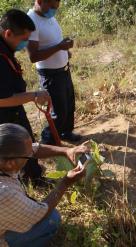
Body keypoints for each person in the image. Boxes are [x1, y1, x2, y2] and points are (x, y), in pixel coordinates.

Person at [0, 123, 89, 247]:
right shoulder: (5, 193)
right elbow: (40, 213)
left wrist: (67, 150)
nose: (32, 155)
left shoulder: (5, 157)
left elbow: (34, 149)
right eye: (28, 156)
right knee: (52, 219)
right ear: (10, 164)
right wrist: (65, 182)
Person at [0, 9, 52, 184]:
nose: (26, 44)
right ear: (8, 33)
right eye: (23, 40)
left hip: (14, 111)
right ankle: (28, 181)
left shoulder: (5, 49)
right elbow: (2, 99)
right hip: (5, 115)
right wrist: (34, 95)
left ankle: (32, 176)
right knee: (18, 146)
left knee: (26, 142)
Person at [27, 0, 81, 145]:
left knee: (69, 106)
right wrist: (59, 47)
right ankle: (47, 141)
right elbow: (33, 56)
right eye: (52, 7)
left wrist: (65, 51)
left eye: (56, 7)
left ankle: (65, 133)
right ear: (39, 1)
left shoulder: (48, 16)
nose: (54, 10)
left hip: (63, 70)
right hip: (51, 75)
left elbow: (53, 42)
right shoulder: (31, 20)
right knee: (59, 112)